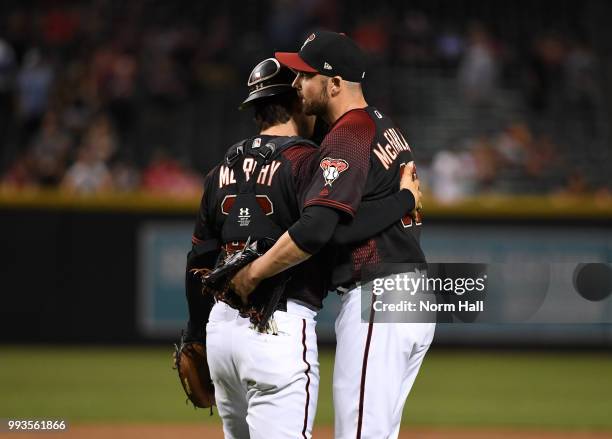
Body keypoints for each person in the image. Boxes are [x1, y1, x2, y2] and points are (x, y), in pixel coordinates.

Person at [183, 57, 421, 439]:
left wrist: (195, 335)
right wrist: (403, 200)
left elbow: (197, 263)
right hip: (278, 324)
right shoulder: (310, 162)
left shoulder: (219, 171)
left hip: (220, 333)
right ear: (296, 102)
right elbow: (326, 229)